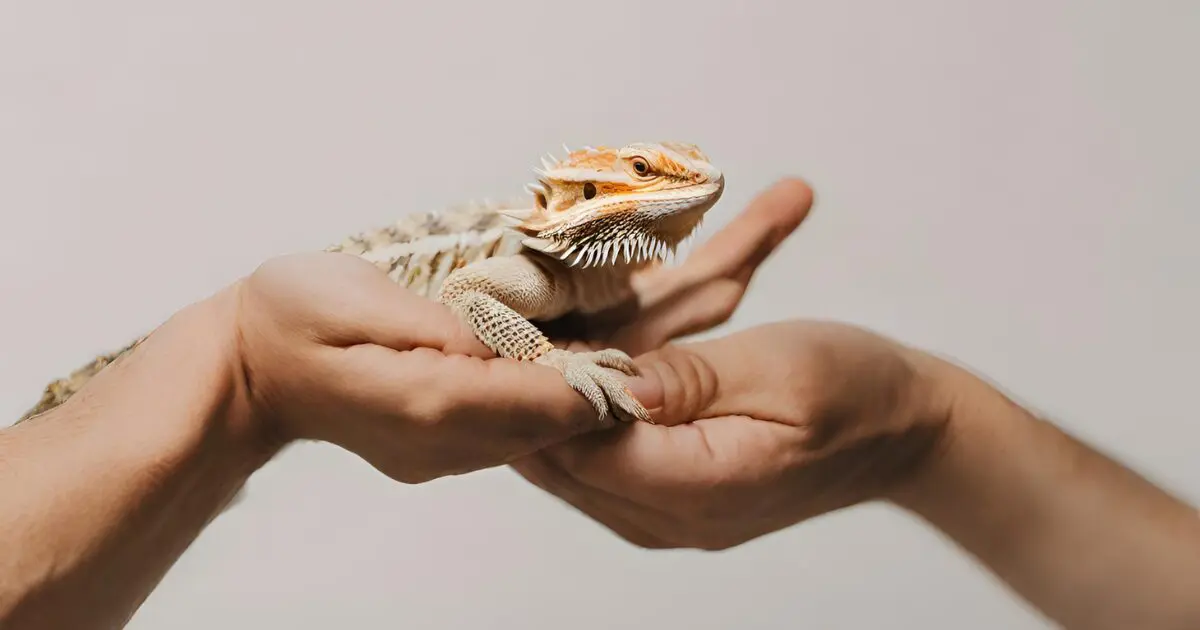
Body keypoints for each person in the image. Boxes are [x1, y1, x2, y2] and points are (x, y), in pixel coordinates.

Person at [0, 179, 1196, 629]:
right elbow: (482, 308)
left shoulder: (586, 260)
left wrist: (918, 428)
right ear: (581, 199)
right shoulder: (520, 261)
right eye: (637, 182)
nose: (674, 194)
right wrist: (245, 373)